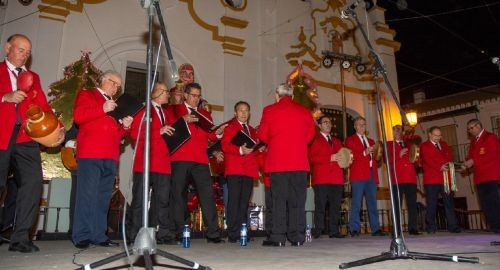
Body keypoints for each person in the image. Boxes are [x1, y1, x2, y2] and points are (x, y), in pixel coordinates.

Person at [0, 34, 64, 252]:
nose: (25, 55)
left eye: (28, 52)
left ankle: (20, 238)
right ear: (8, 47)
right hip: (1, 135)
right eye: (21, 50)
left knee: (34, 182)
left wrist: (56, 126)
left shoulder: (32, 76)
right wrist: (4, 97)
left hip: (26, 138)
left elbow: (43, 106)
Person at [72, 70, 133, 249]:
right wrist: (102, 108)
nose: (116, 87)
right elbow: (78, 117)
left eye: (118, 86)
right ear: (103, 80)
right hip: (91, 153)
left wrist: (126, 126)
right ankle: (81, 235)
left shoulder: (116, 104)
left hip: (111, 155)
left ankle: (99, 235)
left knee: (103, 197)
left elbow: (118, 133)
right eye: (113, 83)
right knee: (87, 195)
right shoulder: (87, 94)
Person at [165, 82, 226, 243]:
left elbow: (211, 136)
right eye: (193, 95)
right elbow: (168, 131)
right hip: (179, 158)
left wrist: (218, 133)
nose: (196, 99)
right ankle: (180, 231)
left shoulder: (205, 114)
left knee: (207, 195)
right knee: (178, 196)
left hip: (200, 159)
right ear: (185, 95)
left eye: (198, 96)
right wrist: (183, 120)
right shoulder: (174, 110)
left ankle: (213, 232)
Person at [258, 83, 316, 247]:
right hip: (298, 161)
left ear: (277, 95)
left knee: (278, 199)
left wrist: (276, 142)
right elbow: (310, 134)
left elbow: (262, 134)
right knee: (297, 200)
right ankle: (297, 236)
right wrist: (296, 143)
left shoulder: (269, 110)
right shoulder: (304, 111)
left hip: (278, 161)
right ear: (292, 96)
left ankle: (278, 237)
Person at [128, 82, 177, 244]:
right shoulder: (142, 111)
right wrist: (159, 131)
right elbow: (135, 135)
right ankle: (134, 234)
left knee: (163, 200)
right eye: (165, 92)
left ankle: (162, 233)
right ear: (155, 93)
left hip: (163, 163)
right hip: (145, 162)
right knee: (140, 200)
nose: (168, 95)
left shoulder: (167, 113)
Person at [221, 101, 259, 243]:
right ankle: (233, 232)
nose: (243, 113)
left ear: (249, 113)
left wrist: (258, 149)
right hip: (235, 169)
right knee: (234, 201)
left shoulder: (252, 130)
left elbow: (253, 150)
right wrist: (240, 150)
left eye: (246, 110)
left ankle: (243, 230)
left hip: (248, 169)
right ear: (235, 113)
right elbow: (225, 146)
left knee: (244, 202)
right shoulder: (231, 127)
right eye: (240, 110)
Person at [345, 116, 386, 237]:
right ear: (355, 126)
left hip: (371, 174)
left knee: (372, 202)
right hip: (358, 174)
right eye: (360, 125)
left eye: (364, 124)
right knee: (357, 203)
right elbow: (350, 156)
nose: (363, 127)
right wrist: (365, 152)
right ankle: (354, 228)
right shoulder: (350, 140)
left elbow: (377, 159)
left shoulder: (372, 141)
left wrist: (379, 154)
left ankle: (375, 228)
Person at [308, 116, 345, 239]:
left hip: (336, 178)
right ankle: (318, 230)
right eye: (325, 122)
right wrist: (329, 158)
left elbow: (343, 156)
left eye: (329, 122)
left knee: (335, 206)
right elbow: (312, 158)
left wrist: (348, 158)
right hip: (321, 178)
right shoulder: (314, 140)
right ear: (319, 126)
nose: (328, 124)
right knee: (320, 206)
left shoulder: (337, 141)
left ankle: (334, 231)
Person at [419, 126, 461, 234]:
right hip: (432, 179)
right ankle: (431, 227)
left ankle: (453, 226)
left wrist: (449, 165)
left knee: (449, 202)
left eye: (439, 135)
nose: (438, 137)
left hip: (446, 178)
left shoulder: (444, 145)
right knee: (432, 203)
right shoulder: (424, 146)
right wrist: (439, 167)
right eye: (436, 135)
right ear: (429, 134)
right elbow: (427, 159)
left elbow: (450, 157)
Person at [463, 119, 500, 233]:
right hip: (479, 177)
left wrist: (473, 161)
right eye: (468, 129)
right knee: (485, 203)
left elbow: (492, 155)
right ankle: (493, 226)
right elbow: (470, 156)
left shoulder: (490, 137)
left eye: (471, 128)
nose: (470, 131)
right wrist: (466, 163)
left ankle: (498, 225)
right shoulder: (474, 142)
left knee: (494, 201)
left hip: (491, 175)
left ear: (478, 125)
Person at [387, 124, 420, 235]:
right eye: (395, 130)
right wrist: (398, 154)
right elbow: (386, 161)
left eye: (399, 130)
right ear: (392, 132)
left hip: (410, 178)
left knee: (412, 204)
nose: (398, 132)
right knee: (397, 205)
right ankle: (396, 229)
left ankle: (413, 228)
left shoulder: (409, 144)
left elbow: (415, 160)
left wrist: (415, 159)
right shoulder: (388, 145)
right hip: (397, 178)